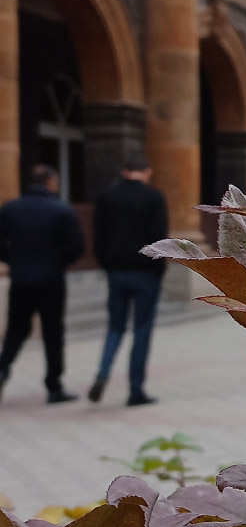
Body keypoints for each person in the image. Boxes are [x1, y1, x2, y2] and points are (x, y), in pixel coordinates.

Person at [0, 164, 85, 403]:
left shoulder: (10, 208)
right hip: (51, 280)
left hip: (21, 278)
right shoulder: (61, 209)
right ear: (51, 183)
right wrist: (58, 262)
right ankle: (54, 386)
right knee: (53, 332)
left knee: (16, 329)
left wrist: (14, 261)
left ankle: (2, 367)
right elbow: (76, 246)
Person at [88, 156, 168, 406]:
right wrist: (159, 270)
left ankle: (102, 373)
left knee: (115, 327)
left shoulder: (106, 197)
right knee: (141, 330)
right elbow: (158, 238)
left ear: (124, 171)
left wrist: (107, 264)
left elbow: (98, 234)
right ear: (147, 172)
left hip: (116, 271)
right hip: (145, 272)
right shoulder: (154, 197)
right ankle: (135, 390)